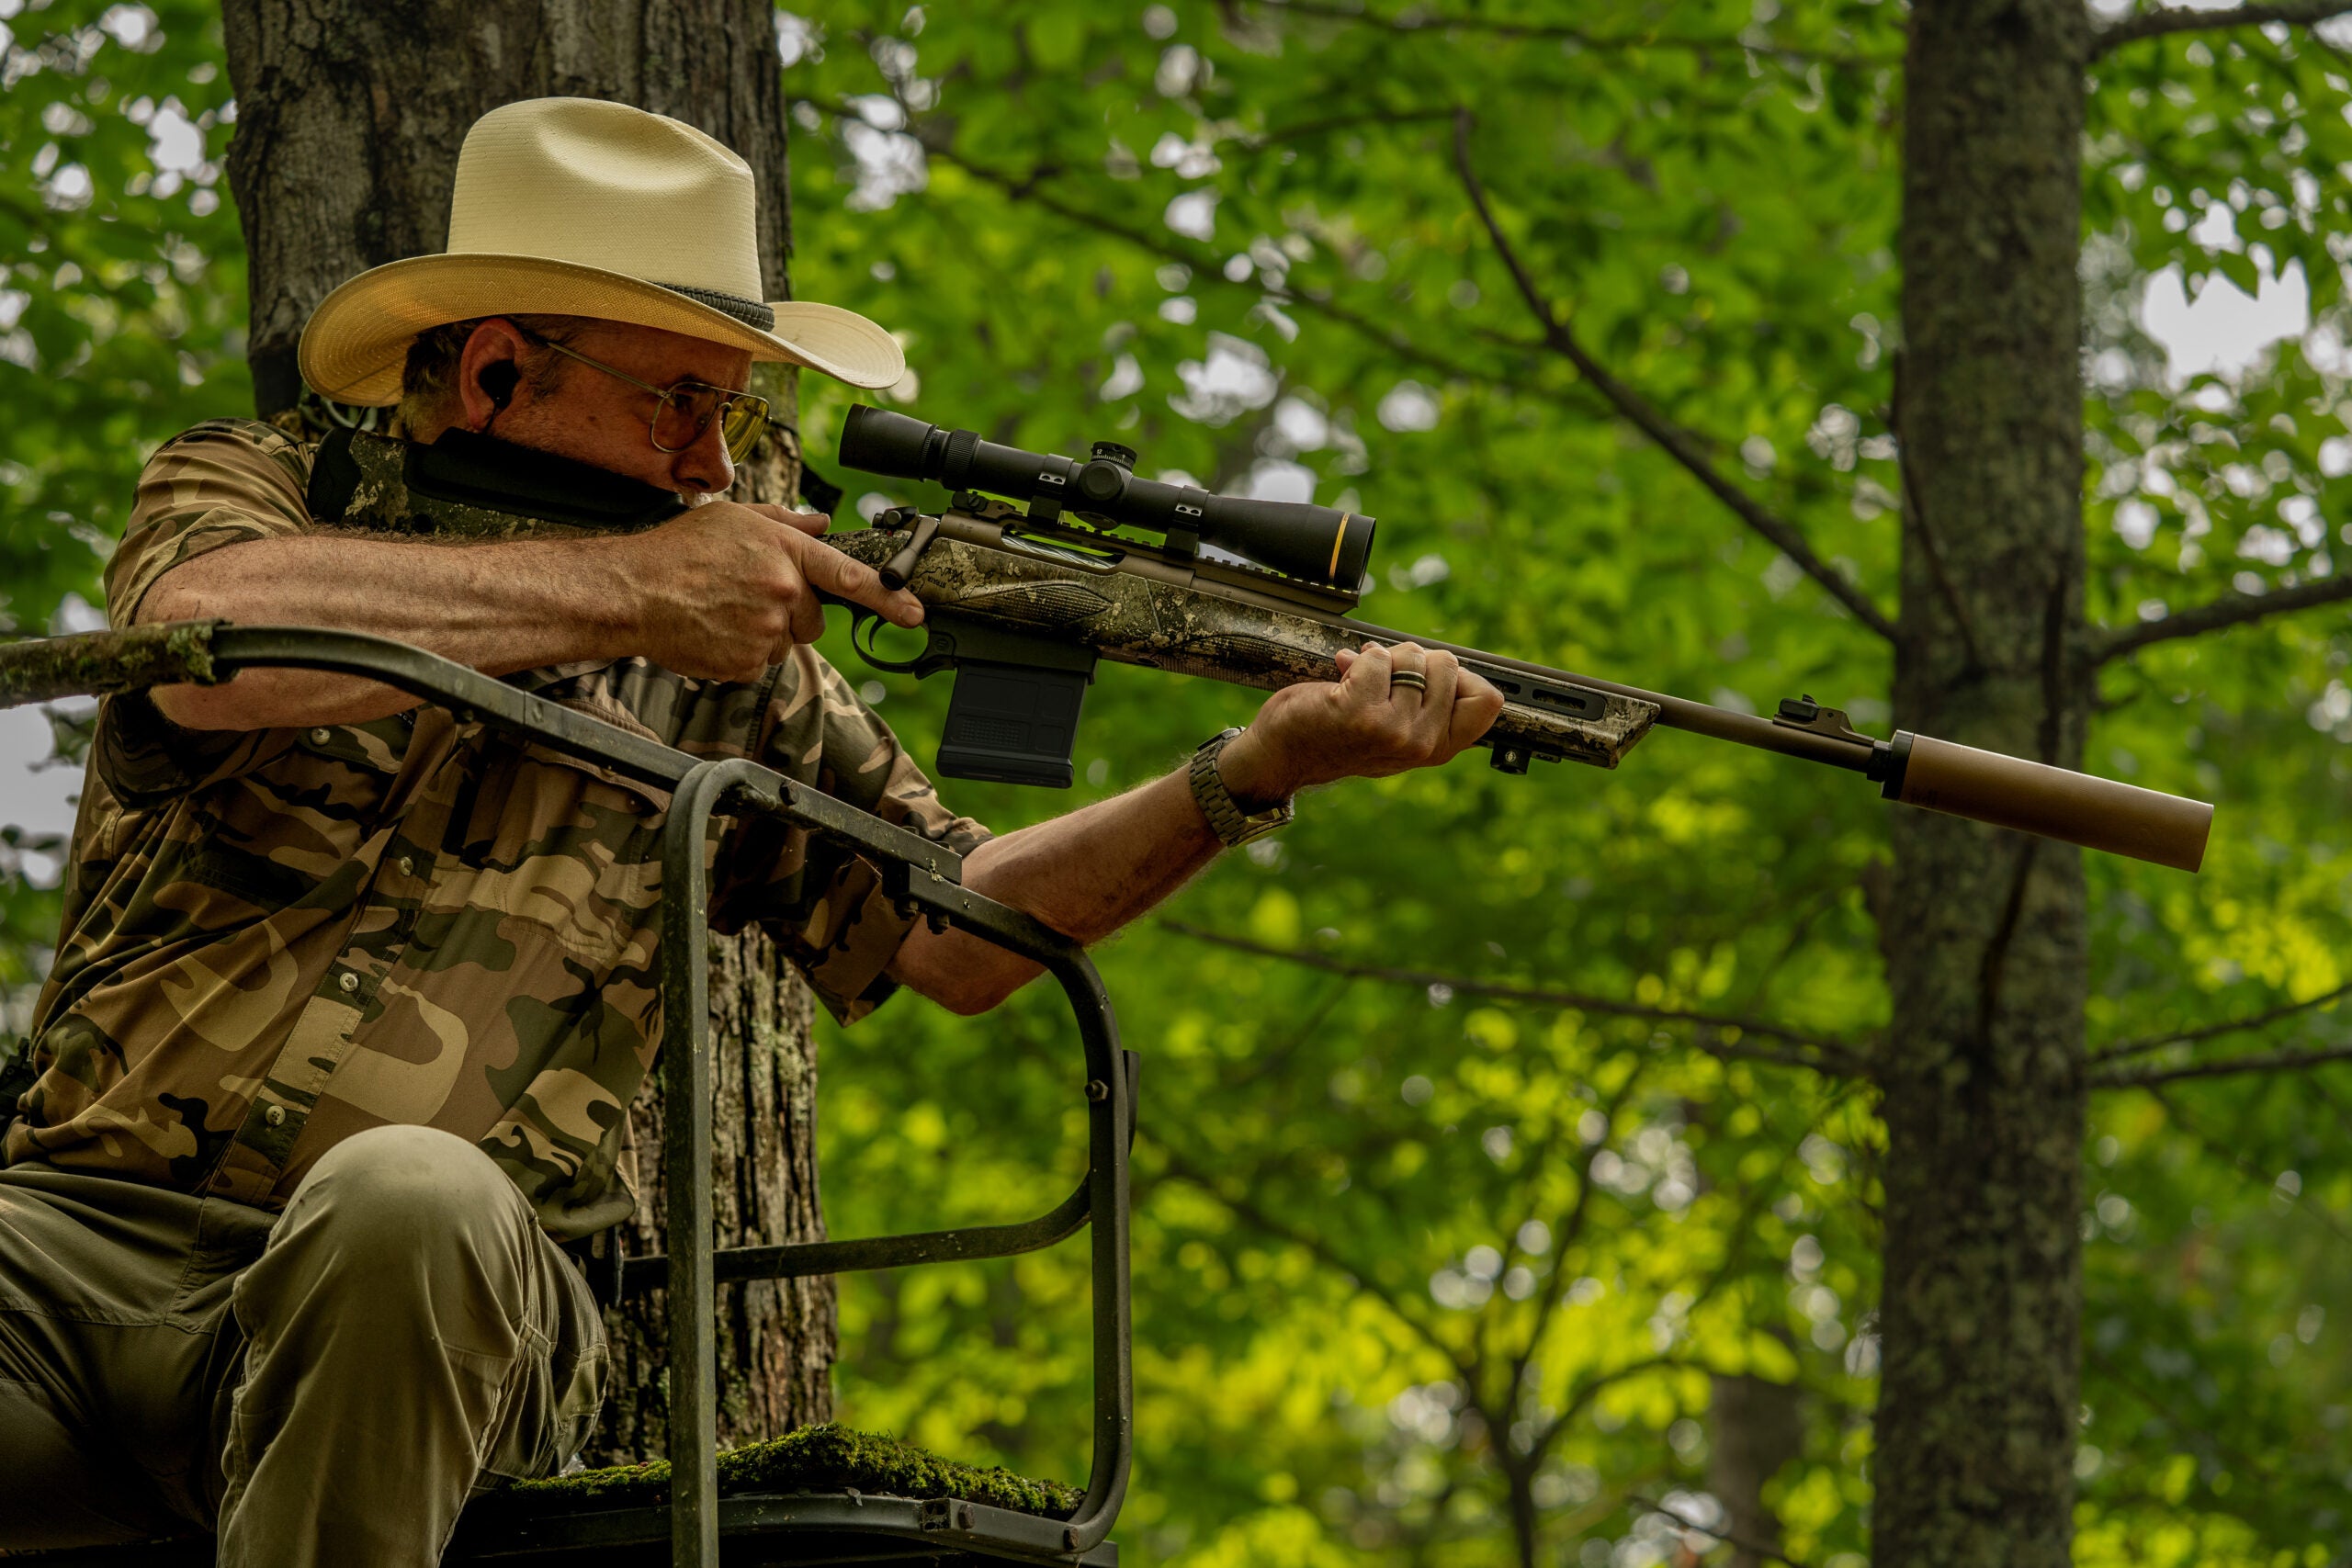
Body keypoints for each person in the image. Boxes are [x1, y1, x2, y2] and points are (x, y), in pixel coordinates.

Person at [0, 98, 1502, 1566]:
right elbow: (204, 640)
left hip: (441, 1295)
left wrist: (1249, 771)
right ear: (501, 372)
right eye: (682, 401)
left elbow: (957, 932)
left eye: (733, 412)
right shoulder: (265, 487)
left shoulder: (743, 674)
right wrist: (635, 593)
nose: (716, 467)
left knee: (410, 1195)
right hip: (71, 1252)